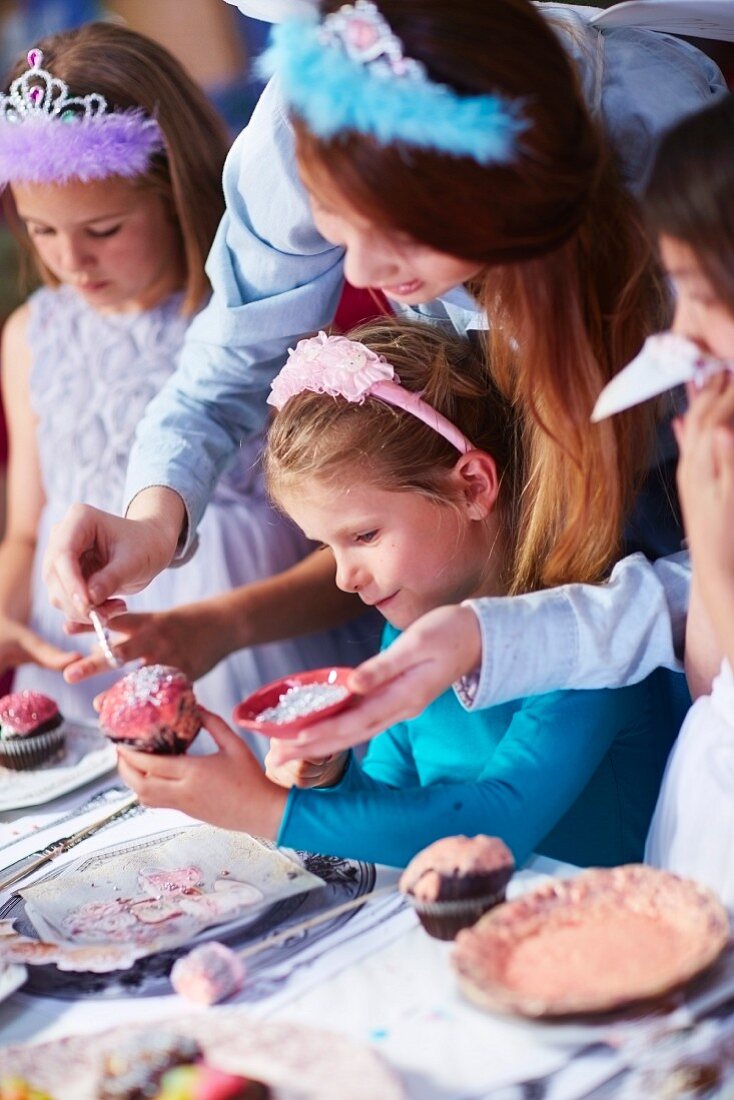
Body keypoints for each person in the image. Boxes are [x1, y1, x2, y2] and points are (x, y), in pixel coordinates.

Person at [43, 1, 724, 685]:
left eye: (399, 235)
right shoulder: (317, 111)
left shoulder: (672, 171)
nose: (362, 276)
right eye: (336, 232)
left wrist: (514, 638)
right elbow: (229, 359)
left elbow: (710, 573)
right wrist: (155, 522)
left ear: (510, 196)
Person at [116, 320, 686, 869]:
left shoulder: (585, 626)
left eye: (363, 536)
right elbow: (391, 797)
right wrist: (332, 774)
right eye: (327, 546)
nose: (345, 577)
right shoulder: (409, 627)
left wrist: (263, 810)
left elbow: (500, 821)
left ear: (473, 486)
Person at [0, 23, 367, 745]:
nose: (71, 258)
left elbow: (354, 556)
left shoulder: (263, 328)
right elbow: (24, 530)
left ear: (174, 190)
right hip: (85, 666)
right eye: (41, 231)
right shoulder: (30, 337)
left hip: (253, 654)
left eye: (103, 230)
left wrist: (223, 626)